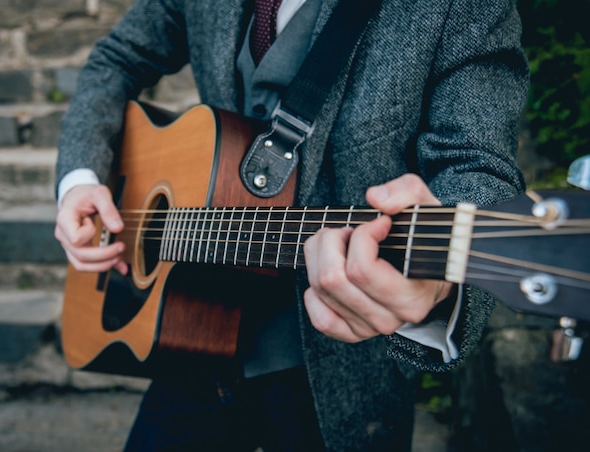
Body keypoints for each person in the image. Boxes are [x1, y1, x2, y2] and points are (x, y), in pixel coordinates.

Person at [54, 0, 529, 450]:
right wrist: (80, 179)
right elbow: (115, 60)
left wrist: (439, 285)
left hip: (342, 373)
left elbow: (477, 172)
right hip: (191, 332)